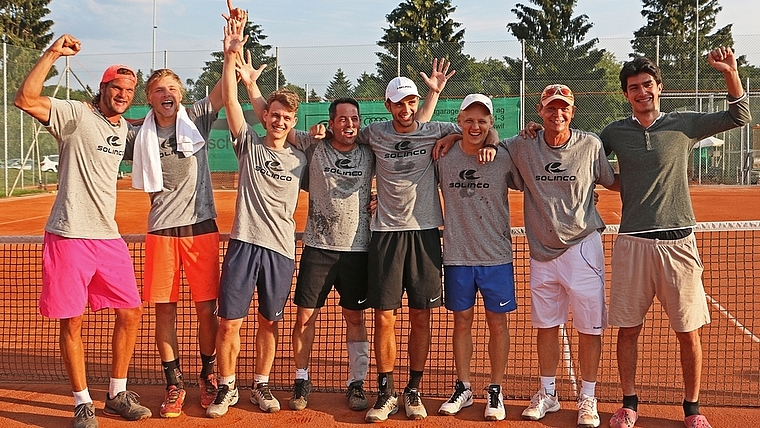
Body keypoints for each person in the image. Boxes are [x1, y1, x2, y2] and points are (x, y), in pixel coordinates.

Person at [600, 47, 750, 428]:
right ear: (626, 94)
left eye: (647, 85)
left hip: (679, 245)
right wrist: (536, 131)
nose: (641, 92)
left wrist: (730, 72)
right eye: (634, 87)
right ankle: (629, 402)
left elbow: (739, 114)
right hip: (633, 243)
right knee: (628, 330)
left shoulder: (684, 123)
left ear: (659, 88)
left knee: (688, 332)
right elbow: (583, 157)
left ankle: (692, 408)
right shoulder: (614, 132)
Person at [14, 35, 151, 428]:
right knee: (72, 321)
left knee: (131, 312)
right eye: (116, 88)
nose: (123, 94)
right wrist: (53, 53)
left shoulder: (125, 128)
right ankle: (82, 402)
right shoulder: (74, 113)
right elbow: (25, 98)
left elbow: (158, 126)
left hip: (108, 237)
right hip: (69, 234)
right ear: (102, 88)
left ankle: (116, 394)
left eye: (129, 90)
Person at [358, 65, 499, 423]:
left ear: (417, 102)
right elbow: (341, 137)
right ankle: (386, 390)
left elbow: (481, 130)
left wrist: (461, 138)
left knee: (422, 317)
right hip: (385, 235)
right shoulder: (373, 133)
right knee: (384, 318)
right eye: (398, 104)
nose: (405, 110)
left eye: (411, 102)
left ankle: (414, 390)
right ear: (387, 105)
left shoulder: (438, 129)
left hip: (424, 235)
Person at [206, 14, 308, 418]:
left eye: (286, 117)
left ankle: (261, 386)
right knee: (230, 323)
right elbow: (230, 101)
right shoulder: (249, 145)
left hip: (281, 251)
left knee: (269, 322)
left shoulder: (302, 158)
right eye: (274, 114)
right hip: (244, 245)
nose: (279, 120)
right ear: (264, 116)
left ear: (293, 122)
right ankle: (227, 387)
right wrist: (230, 55)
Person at [506, 84, 614, 428]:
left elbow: (610, 181)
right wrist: (449, 139)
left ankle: (588, 398)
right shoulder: (523, 146)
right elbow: (483, 141)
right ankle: (548, 393)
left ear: (573, 110)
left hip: (583, 248)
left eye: (563, 107)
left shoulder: (591, 145)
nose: (557, 114)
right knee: (546, 326)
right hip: (541, 252)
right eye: (551, 108)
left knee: (589, 328)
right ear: (539, 111)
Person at [124, 67, 223, 418]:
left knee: (206, 309)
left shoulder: (196, 117)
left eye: (172, 88)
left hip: (201, 229)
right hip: (162, 231)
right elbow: (104, 124)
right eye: (157, 90)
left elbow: (225, 89)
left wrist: (231, 51)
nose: (166, 94)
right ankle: (174, 383)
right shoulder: (136, 135)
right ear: (149, 98)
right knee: (164, 309)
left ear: (180, 94)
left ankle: (209, 376)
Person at [435, 94, 518, 422]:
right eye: (469, 120)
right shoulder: (443, 155)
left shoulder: (503, 157)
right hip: (456, 256)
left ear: (491, 124)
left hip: (496, 256)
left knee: (497, 324)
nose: (475, 126)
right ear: (459, 121)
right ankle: (464, 387)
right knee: (462, 322)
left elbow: (535, 181)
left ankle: (495, 389)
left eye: (482, 121)